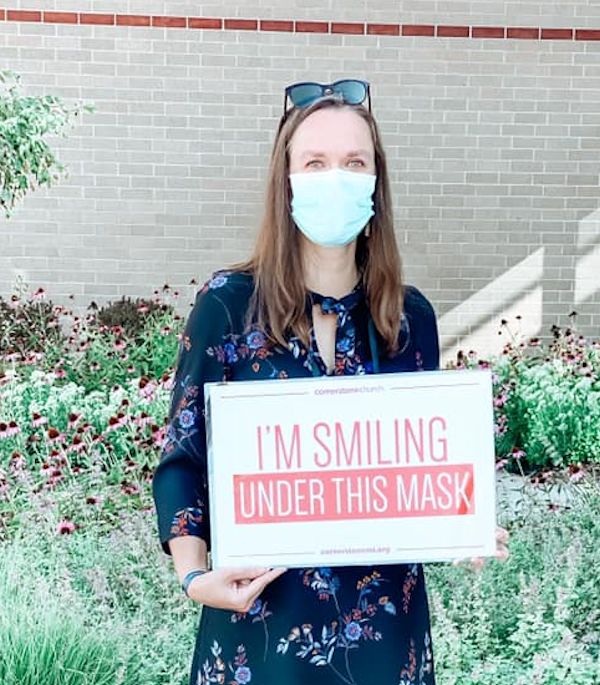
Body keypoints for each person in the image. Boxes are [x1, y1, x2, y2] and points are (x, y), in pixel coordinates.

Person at [152, 79, 509, 685]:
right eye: (314, 163)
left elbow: (420, 460)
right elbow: (183, 459)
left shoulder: (409, 317)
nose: (335, 177)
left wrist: (462, 522)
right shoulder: (228, 305)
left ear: (376, 181)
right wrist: (194, 576)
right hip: (259, 635)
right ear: (285, 180)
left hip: (383, 639)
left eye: (354, 162)